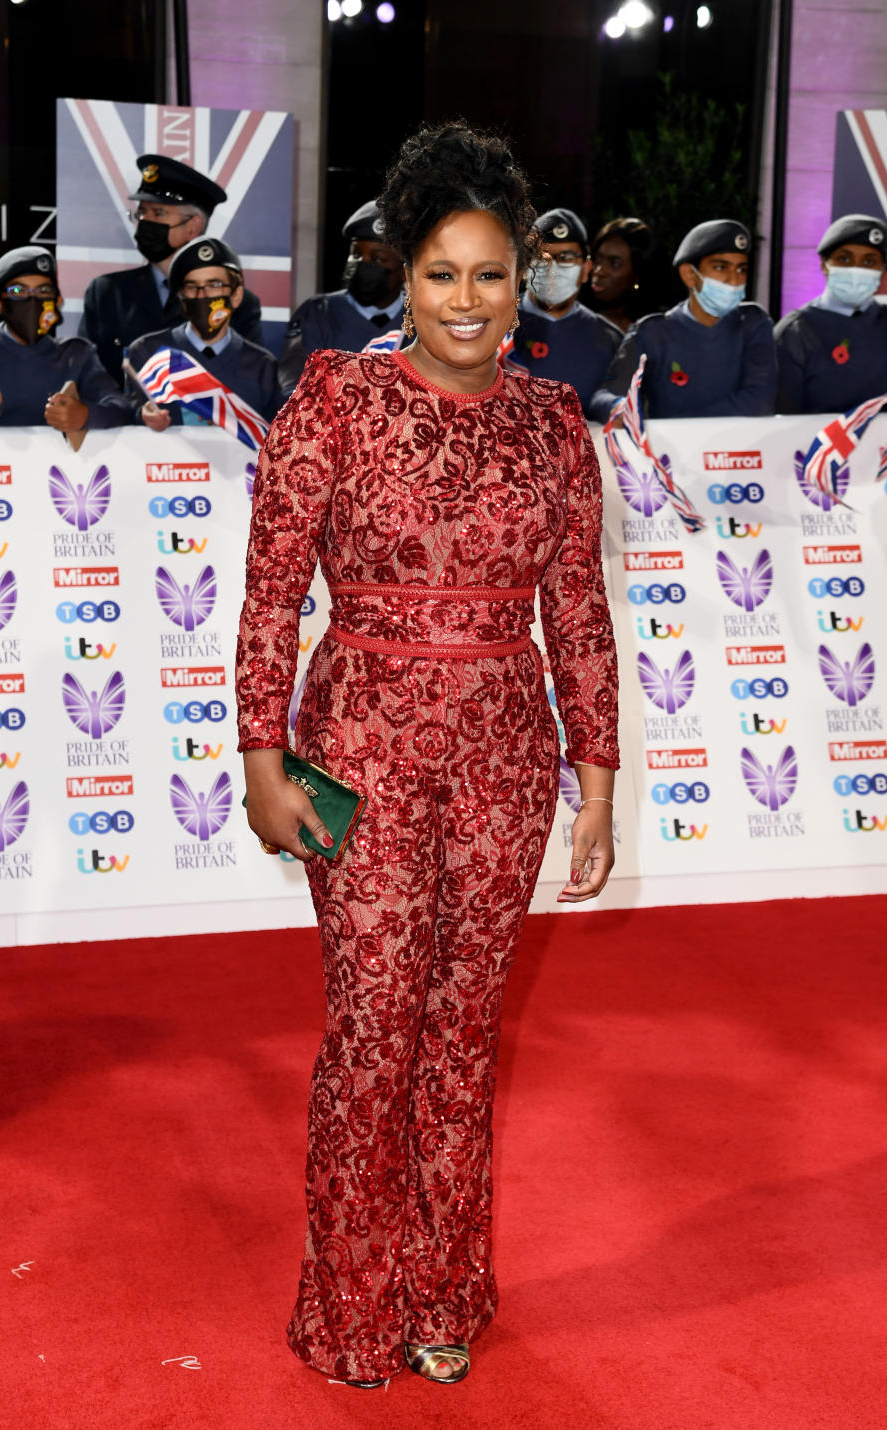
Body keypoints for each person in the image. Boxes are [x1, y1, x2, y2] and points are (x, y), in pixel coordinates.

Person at [235, 121, 619, 1389]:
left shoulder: (558, 425)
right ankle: (350, 1305)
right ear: (402, 274)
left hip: (507, 761)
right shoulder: (337, 399)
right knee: (372, 1022)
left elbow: (578, 617)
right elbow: (268, 594)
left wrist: (597, 785)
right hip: (359, 747)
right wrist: (260, 754)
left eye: (493, 273)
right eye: (443, 272)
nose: (468, 300)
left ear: (526, 283)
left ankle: (444, 1289)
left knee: (461, 1033)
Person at [79, 154, 263, 380]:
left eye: (159, 213)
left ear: (192, 226)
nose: (145, 221)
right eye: (142, 212)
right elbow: (88, 375)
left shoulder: (236, 301)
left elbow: (250, 378)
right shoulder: (107, 292)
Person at [589, 219, 777, 422]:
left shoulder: (753, 324)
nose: (734, 280)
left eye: (741, 270)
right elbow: (603, 397)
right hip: (670, 453)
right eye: (721, 268)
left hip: (737, 451)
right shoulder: (653, 332)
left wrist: (675, 427)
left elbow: (759, 402)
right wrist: (617, 407)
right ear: (689, 275)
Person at [0, 245, 132, 430]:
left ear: (57, 301)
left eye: (43, 291)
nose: (32, 300)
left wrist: (85, 415)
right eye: (18, 291)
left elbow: (120, 408)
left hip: (56, 462)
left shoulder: (76, 354)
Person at [125, 237, 281, 429]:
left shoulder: (262, 366)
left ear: (236, 296)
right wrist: (143, 415)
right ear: (182, 296)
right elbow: (127, 413)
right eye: (192, 287)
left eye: (214, 285)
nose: (202, 296)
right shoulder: (148, 352)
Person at [276, 199, 405, 396]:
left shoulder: (421, 318)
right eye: (355, 254)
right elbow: (295, 383)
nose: (362, 264)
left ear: (405, 270)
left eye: (378, 258)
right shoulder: (319, 312)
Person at [512, 207, 622, 415]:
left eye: (566, 257)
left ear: (586, 269)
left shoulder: (609, 340)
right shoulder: (494, 330)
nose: (553, 267)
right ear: (526, 266)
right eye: (542, 257)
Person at [774, 213, 887, 413]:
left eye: (869, 262)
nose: (856, 270)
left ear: (882, 268)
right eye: (844, 259)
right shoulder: (795, 332)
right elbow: (784, 419)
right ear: (824, 265)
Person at [583, 217, 664, 333]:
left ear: (637, 275)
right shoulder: (571, 321)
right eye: (597, 259)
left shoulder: (659, 331)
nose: (599, 271)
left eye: (614, 264)